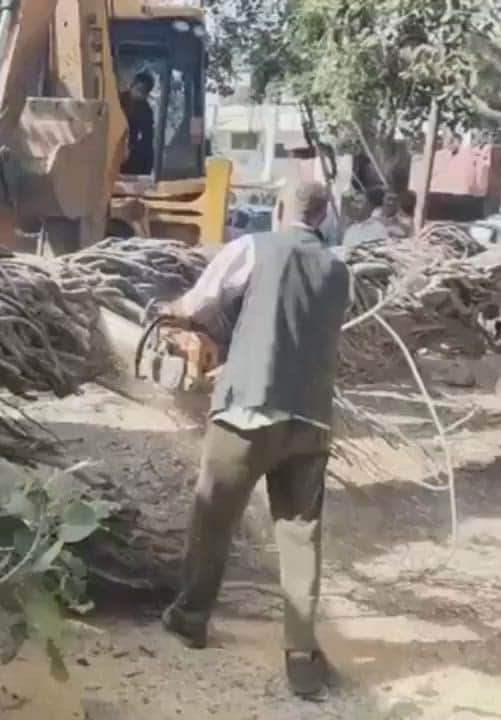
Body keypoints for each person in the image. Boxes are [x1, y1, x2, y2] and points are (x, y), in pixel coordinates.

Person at [154, 181, 352, 700]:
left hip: (247, 411)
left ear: (280, 209)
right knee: (301, 536)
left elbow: (199, 305)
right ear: (324, 216)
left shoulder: (252, 248)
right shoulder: (339, 271)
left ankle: (191, 618)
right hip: (310, 421)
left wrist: (168, 311)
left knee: (213, 516)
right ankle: (302, 655)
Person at [119, 71, 156, 175]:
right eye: (138, 90)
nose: (140, 95)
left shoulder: (146, 110)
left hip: (132, 156)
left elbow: (148, 138)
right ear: (131, 86)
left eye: (144, 93)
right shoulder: (118, 102)